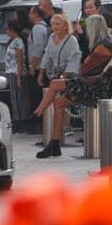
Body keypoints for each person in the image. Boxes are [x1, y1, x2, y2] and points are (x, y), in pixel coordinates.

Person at [35, 14, 82, 159]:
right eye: (52, 24)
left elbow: (74, 59)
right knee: (57, 103)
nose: (54, 27)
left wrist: (65, 76)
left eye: (57, 24)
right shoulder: (51, 38)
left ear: (64, 25)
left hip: (70, 76)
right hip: (54, 73)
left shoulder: (72, 40)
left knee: (55, 88)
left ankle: (38, 111)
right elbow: (47, 55)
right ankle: (54, 142)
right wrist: (41, 72)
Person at [3, 16, 28, 129]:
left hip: (15, 73)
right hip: (11, 72)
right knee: (14, 97)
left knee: (17, 98)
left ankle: (19, 121)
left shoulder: (18, 42)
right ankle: (18, 119)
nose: (6, 31)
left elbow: (19, 60)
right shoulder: (12, 41)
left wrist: (18, 77)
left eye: (7, 29)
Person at [27, 4, 49, 112]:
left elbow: (38, 49)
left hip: (38, 67)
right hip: (42, 65)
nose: (29, 16)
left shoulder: (37, 29)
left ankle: (38, 116)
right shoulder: (45, 27)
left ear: (35, 14)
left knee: (36, 94)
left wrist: (32, 65)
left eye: (30, 13)